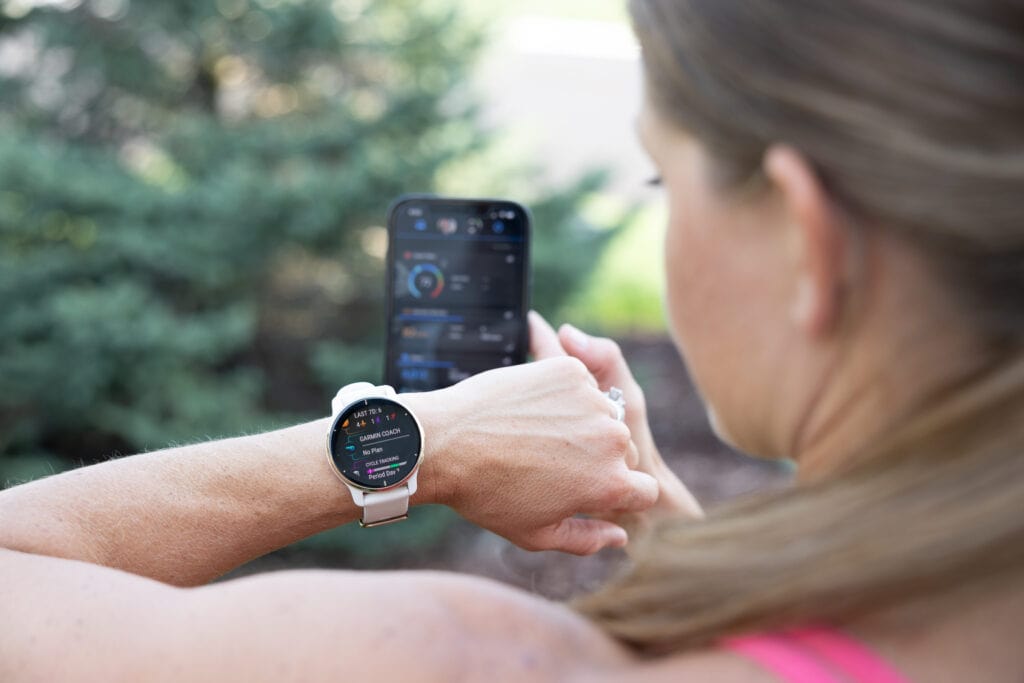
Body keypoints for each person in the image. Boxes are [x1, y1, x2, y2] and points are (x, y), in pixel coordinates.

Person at [3, 0, 1023, 680]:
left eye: (665, 183)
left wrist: (416, 442)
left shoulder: (479, 656)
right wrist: (658, 512)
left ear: (811, 246)